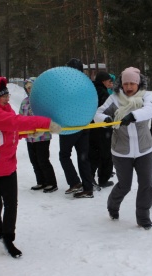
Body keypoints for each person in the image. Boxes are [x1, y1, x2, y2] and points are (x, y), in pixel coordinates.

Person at [0, 77, 61, 258]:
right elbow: (15, 123)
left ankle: (8, 238)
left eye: (6, 94)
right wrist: (44, 123)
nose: (6, 97)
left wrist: (33, 131)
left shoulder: (5, 110)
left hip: (7, 167)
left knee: (12, 204)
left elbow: (12, 132)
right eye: (1, 94)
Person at [94, 67, 152, 230]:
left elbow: (150, 110)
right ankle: (112, 206)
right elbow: (97, 113)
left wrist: (133, 116)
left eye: (132, 83)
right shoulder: (114, 99)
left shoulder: (146, 97)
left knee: (146, 184)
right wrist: (105, 118)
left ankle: (143, 217)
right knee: (125, 185)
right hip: (121, 151)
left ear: (138, 83)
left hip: (144, 149)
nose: (129, 87)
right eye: (125, 83)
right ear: (121, 84)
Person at [59, 58, 94, 198]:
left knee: (64, 155)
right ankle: (88, 188)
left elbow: (62, 101)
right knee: (83, 157)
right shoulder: (86, 83)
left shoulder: (66, 83)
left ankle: (74, 182)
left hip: (70, 125)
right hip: (85, 124)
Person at [19, 77, 58, 193]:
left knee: (43, 159)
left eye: (31, 87)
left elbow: (48, 117)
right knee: (34, 160)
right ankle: (41, 181)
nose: (29, 90)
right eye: (27, 88)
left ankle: (51, 182)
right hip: (29, 137)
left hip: (42, 136)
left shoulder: (43, 101)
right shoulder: (25, 102)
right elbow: (20, 117)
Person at [89, 71, 114, 189]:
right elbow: (107, 111)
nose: (111, 83)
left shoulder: (90, 90)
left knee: (93, 154)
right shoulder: (103, 94)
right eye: (109, 81)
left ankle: (89, 177)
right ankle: (103, 179)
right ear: (103, 81)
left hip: (91, 128)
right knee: (106, 154)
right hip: (103, 129)